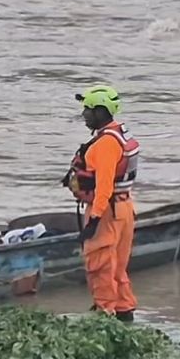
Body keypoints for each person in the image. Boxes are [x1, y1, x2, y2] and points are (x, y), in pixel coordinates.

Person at [62, 85, 140, 322]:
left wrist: (94, 219)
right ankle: (124, 309)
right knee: (117, 266)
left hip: (106, 210)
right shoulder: (119, 135)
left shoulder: (106, 143)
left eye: (87, 109)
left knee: (100, 264)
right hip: (123, 208)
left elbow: (104, 184)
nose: (83, 114)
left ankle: (104, 313)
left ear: (101, 111)